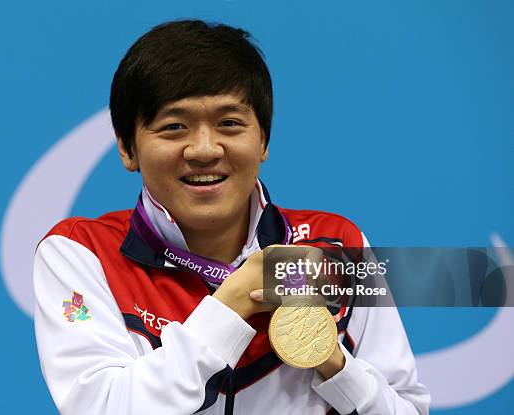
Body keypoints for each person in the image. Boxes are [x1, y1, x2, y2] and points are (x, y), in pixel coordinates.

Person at [33, 19, 430, 415]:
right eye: (174, 127)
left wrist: (334, 363)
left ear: (263, 141)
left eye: (229, 123)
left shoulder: (337, 245)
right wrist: (234, 303)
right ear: (127, 149)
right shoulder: (81, 253)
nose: (204, 149)